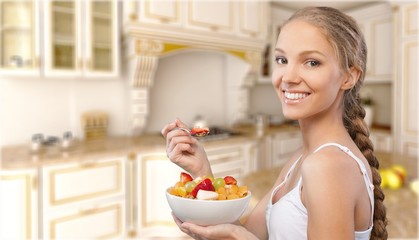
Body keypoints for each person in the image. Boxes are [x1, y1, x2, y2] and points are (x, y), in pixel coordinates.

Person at [161, 6, 388, 240]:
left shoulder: (327, 165)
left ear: (349, 77)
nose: (288, 77)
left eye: (311, 62)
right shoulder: (303, 157)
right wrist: (202, 173)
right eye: (282, 59)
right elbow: (248, 233)